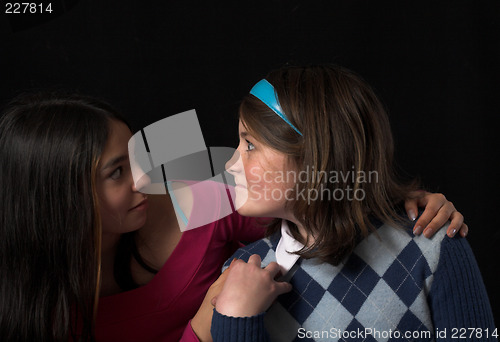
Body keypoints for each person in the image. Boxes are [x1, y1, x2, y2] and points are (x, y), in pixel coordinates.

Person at [0, 92, 468, 342]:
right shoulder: (32, 308)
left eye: (138, 156)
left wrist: (396, 202)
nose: (145, 178)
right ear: (58, 201)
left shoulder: (201, 199)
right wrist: (213, 316)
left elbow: (309, 205)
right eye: (117, 172)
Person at [211, 65, 497, 341]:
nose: (231, 163)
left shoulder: (433, 245)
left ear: (315, 156)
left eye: (250, 145)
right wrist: (235, 321)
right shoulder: (242, 277)